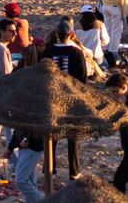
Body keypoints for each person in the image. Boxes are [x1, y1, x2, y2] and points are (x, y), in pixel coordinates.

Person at [44, 18, 86, 180]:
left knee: (52, 134)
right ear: (71, 34)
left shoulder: (49, 51)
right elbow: (82, 79)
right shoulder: (76, 52)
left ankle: (50, 167)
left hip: (53, 97)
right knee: (73, 136)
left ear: (57, 33)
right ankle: (74, 171)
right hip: (71, 99)